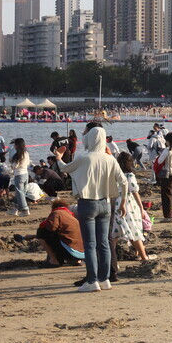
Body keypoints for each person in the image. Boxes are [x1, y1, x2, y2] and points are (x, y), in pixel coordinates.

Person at [53, 125, 129, 292]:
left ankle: (92, 280)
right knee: (104, 243)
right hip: (106, 203)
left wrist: (59, 157)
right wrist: (122, 202)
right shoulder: (110, 159)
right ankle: (105, 279)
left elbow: (65, 169)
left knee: (90, 244)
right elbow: (124, 182)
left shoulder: (84, 157)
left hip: (88, 203)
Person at [113, 153, 150, 262]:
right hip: (128, 203)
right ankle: (144, 256)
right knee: (134, 230)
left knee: (114, 233)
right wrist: (141, 207)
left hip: (116, 202)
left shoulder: (114, 174)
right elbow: (134, 191)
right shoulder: (129, 176)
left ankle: (111, 259)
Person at [36, 199, 85, 267]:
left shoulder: (57, 213)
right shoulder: (71, 215)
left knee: (41, 233)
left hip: (70, 252)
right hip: (81, 254)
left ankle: (53, 260)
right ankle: (77, 261)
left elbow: (51, 228)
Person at [7, 138, 32, 217]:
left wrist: (11, 164)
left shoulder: (19, 154)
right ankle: (15, 209)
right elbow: (28, 163)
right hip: (25, 174)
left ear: (17, 145)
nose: (14, 146)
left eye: (15, 144)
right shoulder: (26, 153)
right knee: (21, 193)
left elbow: (14, 166)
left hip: (19, 175)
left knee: (19, 192)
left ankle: (25, 209)